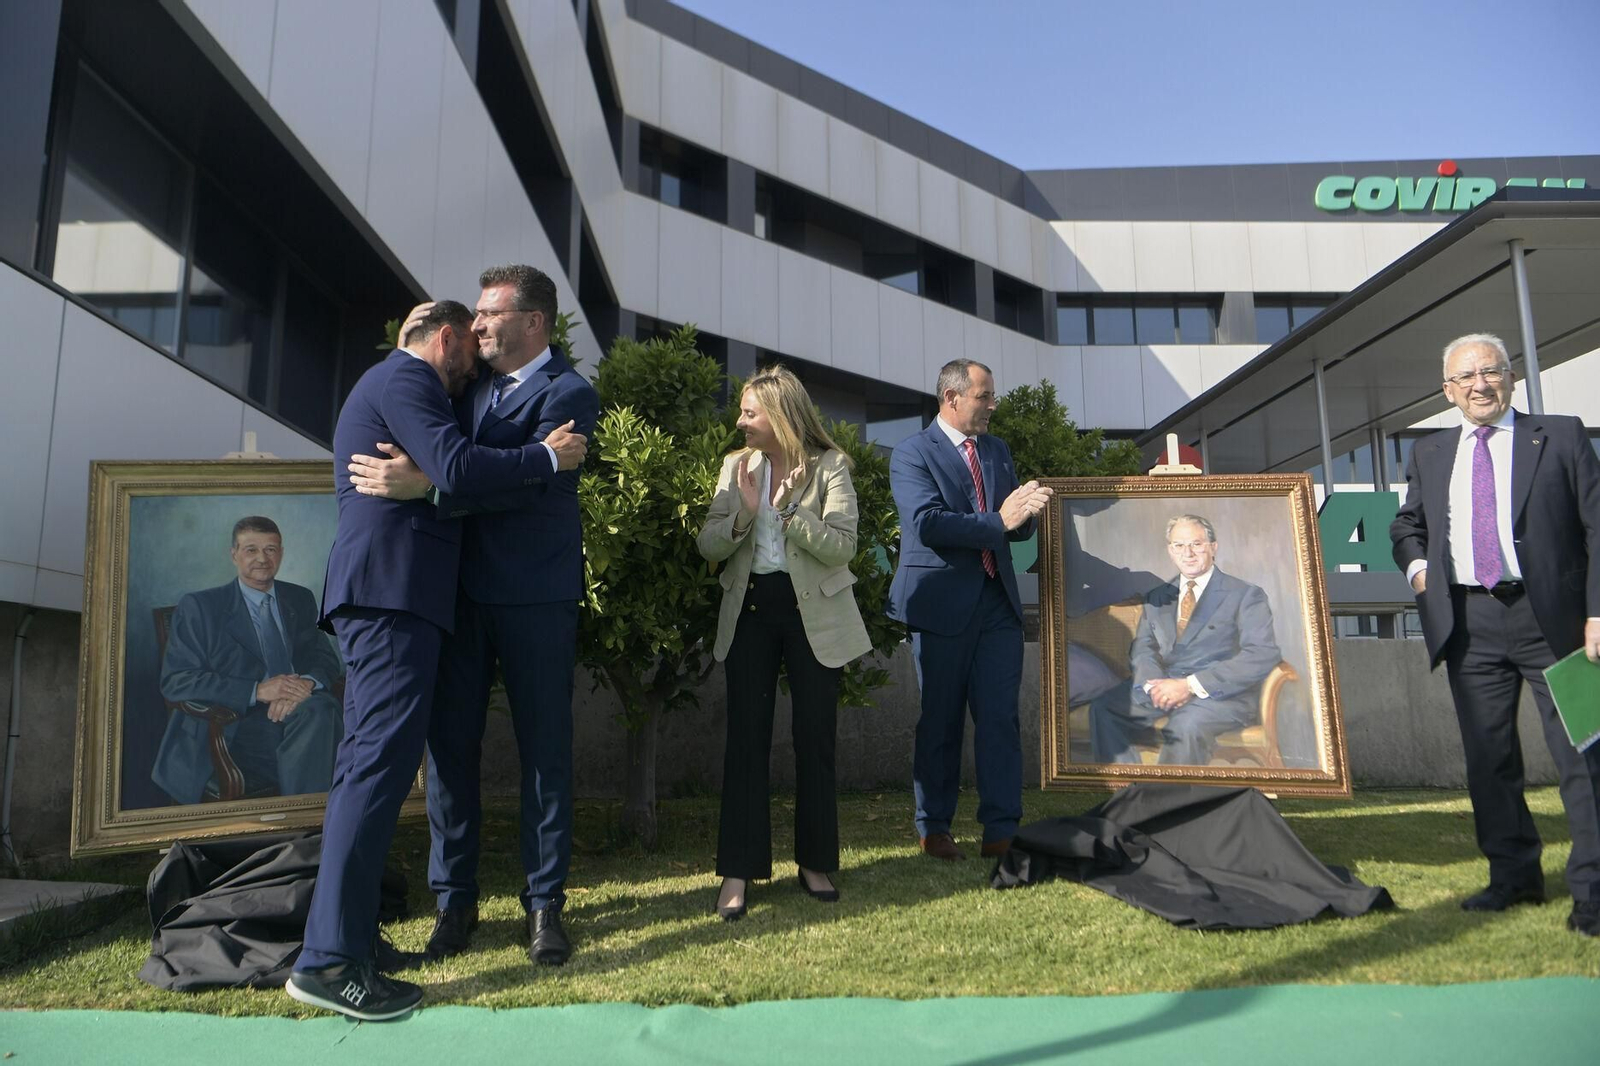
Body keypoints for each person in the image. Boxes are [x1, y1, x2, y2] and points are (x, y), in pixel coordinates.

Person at [284, 301, 587, 1020]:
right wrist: (542, 455)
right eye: (468, 351)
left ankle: (348, 941)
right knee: (375, 770)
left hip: (401, 599)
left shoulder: (408, 382)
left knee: (372, 769)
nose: (470, 373)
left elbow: (442, 473)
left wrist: (431, 482)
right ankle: (329, 961)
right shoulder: (411, 379)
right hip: (393, 598)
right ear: (444, 339)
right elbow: (452, 463)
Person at [347, 265, 599, 966]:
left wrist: (429, 487)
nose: (478, 326)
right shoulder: (460, 388)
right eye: (477, 315)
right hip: (453, 596)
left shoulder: (571, 392)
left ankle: (545, 906)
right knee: (449, 754)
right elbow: (447, 444)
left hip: (535, 598)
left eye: (490, 315)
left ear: (534, 323)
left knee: (545, 752)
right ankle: (453, 903)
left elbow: (515, 489)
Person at [1391, 332, 1600, 937]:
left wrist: (1597, 612)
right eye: (1467, 377)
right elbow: (1408, 524)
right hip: (1469, 622)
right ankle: (1513, 878)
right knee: (1490, 759)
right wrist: (1419, 567)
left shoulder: (1560, 435)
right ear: (1448, 391)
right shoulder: (1429, 452)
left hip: (1554, 619)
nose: (1481, 384)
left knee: (1583, 758)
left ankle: (1592, 891)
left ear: (1510, 378)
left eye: (1492, 371)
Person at [696, 365, 873, 920]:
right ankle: (736, 873)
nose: (741, 421)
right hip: (749, 610)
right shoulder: (734, 467)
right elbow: (708, 545)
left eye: (750, 413)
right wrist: (746, 515)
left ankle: (815, 862)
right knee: (745, 741)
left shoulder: (831, 466)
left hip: (813, 615)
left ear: (781, 416)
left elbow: (843, 547)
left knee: (814, 737)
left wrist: (789, 511)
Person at [887, 359, 1053, 861]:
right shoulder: (912, 453)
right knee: (940, 720)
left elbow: (1008, 523)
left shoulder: (997, 450)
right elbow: (929, 524)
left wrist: (1026, 513)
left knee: (1000, 718)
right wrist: (1000, 519)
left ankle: (1001, 830)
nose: (992, 405)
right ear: (952, 398)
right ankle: (933, 827)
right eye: (984, 396)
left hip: (998, 604)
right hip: (940, 606)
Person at [153, 516, 342, 803]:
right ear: (234, 555)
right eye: (251, 549)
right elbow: (176, 681)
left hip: (300, 713)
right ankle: (314, 822)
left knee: (320, 710)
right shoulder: (201, 607)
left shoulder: (299, 598)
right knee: (324, 714)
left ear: (281, 553)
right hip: (234, 726)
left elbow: (325, 658)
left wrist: (305, 683)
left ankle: (308, 822)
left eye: (271, 549)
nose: (262, 559)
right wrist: (258, 690)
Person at [1088, 514, 1280, 765]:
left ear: (1213, 547)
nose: (1187, 553)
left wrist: (1189, 685)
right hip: (1162, 686)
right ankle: (1131, 792)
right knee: (1105, 709)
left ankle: (1171, 801)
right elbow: (1144, 647)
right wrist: (1151, 685)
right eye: (1179, 545)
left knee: (1183, 727)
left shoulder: (1245, 595)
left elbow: (1261, 654)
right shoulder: (1158, 596)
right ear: (1170, 551)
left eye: (1196, 544)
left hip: (1219, 694)